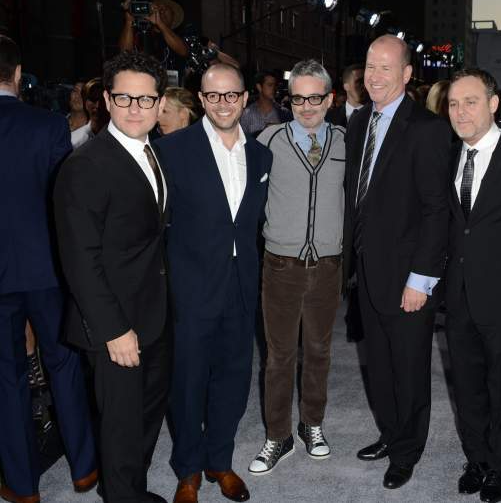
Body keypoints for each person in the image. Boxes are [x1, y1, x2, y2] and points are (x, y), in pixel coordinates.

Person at [54, 51, 171, 503]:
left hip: (153, 313)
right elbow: (80, 260)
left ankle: (127, 491)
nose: (136, 109)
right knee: (121, 428)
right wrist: (113, 330)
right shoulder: (85, 166)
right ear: (106, 100)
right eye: (125, 98)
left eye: (146, 99)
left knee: (143, 418)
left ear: (161, 103)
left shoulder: (149, 151)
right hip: (115, 326)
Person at [158, 63, 271, 503]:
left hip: (241, 286)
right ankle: (187, 470)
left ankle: (219, 461)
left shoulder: (263, 155)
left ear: (244, 99)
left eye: (231, 95)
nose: (223, 102)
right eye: (214, 95)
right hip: (190, 287)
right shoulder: (173, 150)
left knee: (234, 378)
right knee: (186, 382)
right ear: (201, 100)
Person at [343, 34, 451, 490]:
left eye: (386, 67)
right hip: (366, 271)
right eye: (370, 66)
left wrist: (421, 279)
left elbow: (436, 210)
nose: (375, 75)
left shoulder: (428, 129)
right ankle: (390, 434)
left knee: (409, 368)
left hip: (408, 276)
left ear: (407, 74)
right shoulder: (358, 121)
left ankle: (407, 451)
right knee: (380, 365)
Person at [0, 34, 97, 503]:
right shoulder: (48, 126)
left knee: (6, 375)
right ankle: (83, 468)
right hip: (44, 268)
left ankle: (22, 486)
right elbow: (65, 201)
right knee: (63, 364)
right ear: (18, 75)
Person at [248, 59, 345, 475]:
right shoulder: (268, 139)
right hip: (281, 265)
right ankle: (278, 435)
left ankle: (312, 424)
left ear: (330, 99)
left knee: (320, 351)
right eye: (299, 98)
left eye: (315, 98)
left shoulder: (346, 141)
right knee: (279, 355)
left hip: (327, 265)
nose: (307, 106)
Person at [445, 68, 501, 502]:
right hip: (458, 295)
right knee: (466, 385)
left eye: (470, 102)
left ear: (494, 104)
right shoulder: (448, 153)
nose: (460, 112)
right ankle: (477, 458)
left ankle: (499, 464)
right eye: (453, 103)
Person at [119, 0, 189, 70]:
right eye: (158, 8)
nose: (161, 11)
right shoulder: (140, 34)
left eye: (166, 9)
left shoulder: (180, 35)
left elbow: (183, 51)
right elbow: (125, 53)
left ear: (173, 14)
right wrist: (129, 21)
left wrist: (160, 23)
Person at [240, 70, 292, 136]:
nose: (273, 88)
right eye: (270, 85)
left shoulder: (284, 113)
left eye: (275, 85)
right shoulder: (247, 114)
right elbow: (242, 141)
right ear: (259, 87)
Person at [326, 63, 367, 127]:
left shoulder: (377, 116)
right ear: (346, 86)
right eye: (359, 82)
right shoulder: (328, 117)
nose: (364, 86)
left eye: (367, 82)